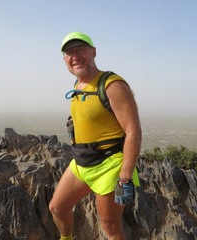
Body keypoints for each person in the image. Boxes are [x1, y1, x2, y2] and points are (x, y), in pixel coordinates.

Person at [49, 32, 142, 240]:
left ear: (93, 52)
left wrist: (125, 178)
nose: (75, 56)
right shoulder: (78, 85)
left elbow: (133, 130)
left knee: (110, 226)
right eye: (69, 53)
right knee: (57, 208)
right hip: (82, 163)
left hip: (109, 164)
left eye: (80, 50)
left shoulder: (112, 85)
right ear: (64, 59)